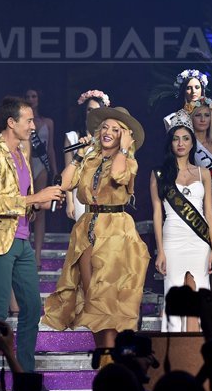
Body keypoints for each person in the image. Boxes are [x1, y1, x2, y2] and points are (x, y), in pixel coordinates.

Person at [0, 96, 63, 384]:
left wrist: (40, 204)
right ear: (11, 122)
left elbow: (23, 200)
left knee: (32, 308)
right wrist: (35, 198)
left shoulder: (22, 153)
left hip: (22, 240)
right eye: (29, 120)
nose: (33, 126)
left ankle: (25, 378)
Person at [43, 106, 151, 353]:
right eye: (104, 127)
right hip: (87, 229)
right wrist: (79, 156)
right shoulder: (89, 159)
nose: (107, 132)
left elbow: (117, 175)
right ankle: (104, 361)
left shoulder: (128, 160)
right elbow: (65, 183)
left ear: (125, 135)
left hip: (115, 231)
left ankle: (110, 363)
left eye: (115, 129)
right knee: (93, 302)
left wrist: (123, 149)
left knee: (107, 303)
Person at [175, 68, 212, 331]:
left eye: (206, 115)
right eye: (197, 115)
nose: (202, 119)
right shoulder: (185, 146)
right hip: (195, 211)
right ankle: (195, 321)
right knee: (198, 266)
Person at [150, 109, 212, 332]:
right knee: (174, 295)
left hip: (199, 241)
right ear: (170, 143)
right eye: (176, 139)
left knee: (200, 294)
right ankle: (174, 347)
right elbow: (157, 214)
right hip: (172, 240)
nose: (180, 143)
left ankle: (198, 347)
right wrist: (160, 250)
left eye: (186, 138)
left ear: (192, 143)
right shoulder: (159, 174)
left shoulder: (203, 173)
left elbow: (209, 213)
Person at [64, 89, 110, 222]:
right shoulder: (73, 137)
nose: (93, 113)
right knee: (83, 230)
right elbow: (68, 173)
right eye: (90, 110)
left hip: (102, 193)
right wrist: (69, 202)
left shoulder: (108, 138)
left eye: (97, 110)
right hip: (80, 193)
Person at [25, 88, 58, 270]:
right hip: (26, 166)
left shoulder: (48, 122)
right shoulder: (23, 122)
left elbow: (50, 148)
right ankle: (25, 254)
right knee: (26, 209)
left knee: (40, 212)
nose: (31, 99)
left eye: (34, 96)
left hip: (42, 167)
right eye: (28, 96)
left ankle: (37, 256)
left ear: (39, 99)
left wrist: (55, 171)